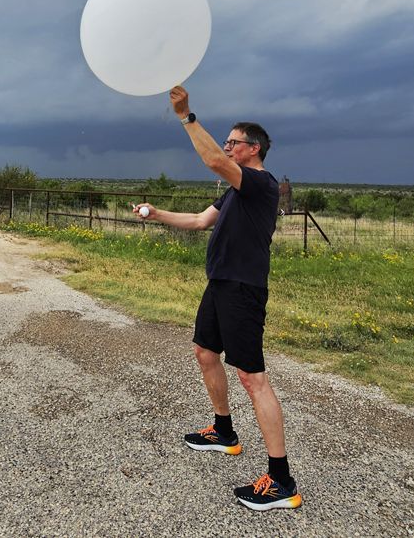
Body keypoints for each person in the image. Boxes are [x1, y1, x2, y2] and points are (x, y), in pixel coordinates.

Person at [134, 86, 301, 512]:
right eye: (226, 142)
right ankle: (224, 432)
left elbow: (212, 160)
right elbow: (196, 220)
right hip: (220, 283)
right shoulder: (232, 194)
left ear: (254, 148)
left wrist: (186, 116)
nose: (227, 148)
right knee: (205, 352)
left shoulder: (261, 184)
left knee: (252, 378)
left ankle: (281, 481)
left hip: (244, 288)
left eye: (233, 142)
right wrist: (156, 214)